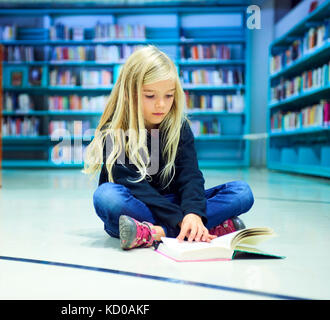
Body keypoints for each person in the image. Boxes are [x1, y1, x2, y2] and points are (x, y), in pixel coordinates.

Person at [82, 45, 254, 250]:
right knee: (107, 196)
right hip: (136, 207)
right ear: (129, 93)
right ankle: (203, 229)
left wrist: (193, 213)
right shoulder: (114, 131)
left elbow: (190, 176)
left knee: (242, 192)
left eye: (169, 96)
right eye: (150, 96)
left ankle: (155, 233)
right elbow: (137, 188)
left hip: (175, 204)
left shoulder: (179, 127)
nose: (161, 105)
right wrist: (180, 219)